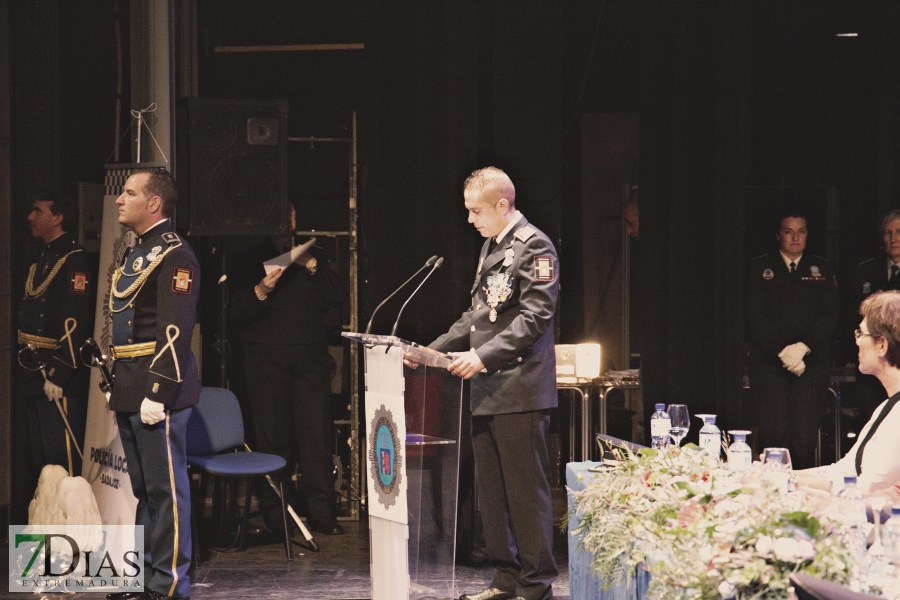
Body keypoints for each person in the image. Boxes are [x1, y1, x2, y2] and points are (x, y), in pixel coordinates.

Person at [428, 167, 558, 600]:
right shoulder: (492, 245)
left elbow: (535, 318)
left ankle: (535, 583)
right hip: (487, 389)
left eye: (476, 210)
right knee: (493, 493)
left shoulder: (534, 246)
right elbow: (479, 315)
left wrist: (481, 357)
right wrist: (429, 350)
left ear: (503, 205)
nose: (470, 220)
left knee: (524, 492)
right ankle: (506, 578)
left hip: (520, 388)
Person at [107, 169, 199, 600]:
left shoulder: (175, 255)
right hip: (129, 382)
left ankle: (169, 585)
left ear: (155, 204)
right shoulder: (139, 250)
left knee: (167, 492)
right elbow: (124, 323)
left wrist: (157, 394)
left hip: (156, 389)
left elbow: (174, 332)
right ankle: (144, 579)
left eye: (129, 193)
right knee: (146, 492)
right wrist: (114, 378)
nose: (120, 200)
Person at [228, 205, 345, 535]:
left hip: (309, 361)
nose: (285, 223)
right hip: (267, 362)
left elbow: (335, 297)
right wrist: (261, 289)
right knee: (273, 440)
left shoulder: (314, 255)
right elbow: (235, 311)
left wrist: (311, 266)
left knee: (316, 439)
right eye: (278, 215)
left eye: (290, 216)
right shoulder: (250, 256)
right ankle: (278, 517)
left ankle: (323, 513)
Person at [747, 213, 839, 470]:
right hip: (769, 365)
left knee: (803, 437)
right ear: (779, 235)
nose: (796, 237)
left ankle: (803, 497)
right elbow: (755, 316)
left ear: (808, 234)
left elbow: (830, 315)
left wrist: (802, 349)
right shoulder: (759, 267)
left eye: (801, 231)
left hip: (810, 365)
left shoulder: (823, 267)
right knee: (773, 434)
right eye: (789, 231)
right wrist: (783, 352)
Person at [797, 290, 900, 501]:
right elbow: (845, 470)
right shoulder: (887, 407)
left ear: (881, 344)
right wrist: (778, 474)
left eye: (861, 334)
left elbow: (866, 488)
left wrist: (787, 481)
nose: (857, 341)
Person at [18, 190, 93, 478]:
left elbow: (76, 322)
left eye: (38, 211)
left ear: (58, 218)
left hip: (56, 372)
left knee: (62, 465)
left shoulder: (75, 260)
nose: (30, 217)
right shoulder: (43, 257)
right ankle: (46, 524)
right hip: (33, 369)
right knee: (41, 463)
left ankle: (68, 525)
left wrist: (59, 374)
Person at [851, 209, 900, 419]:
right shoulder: (865, 271)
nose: (894, 238)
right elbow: (851, 316)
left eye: (899, 232)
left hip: (897, 361)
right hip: (872, 366)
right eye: (888, 233)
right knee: (871, 422)